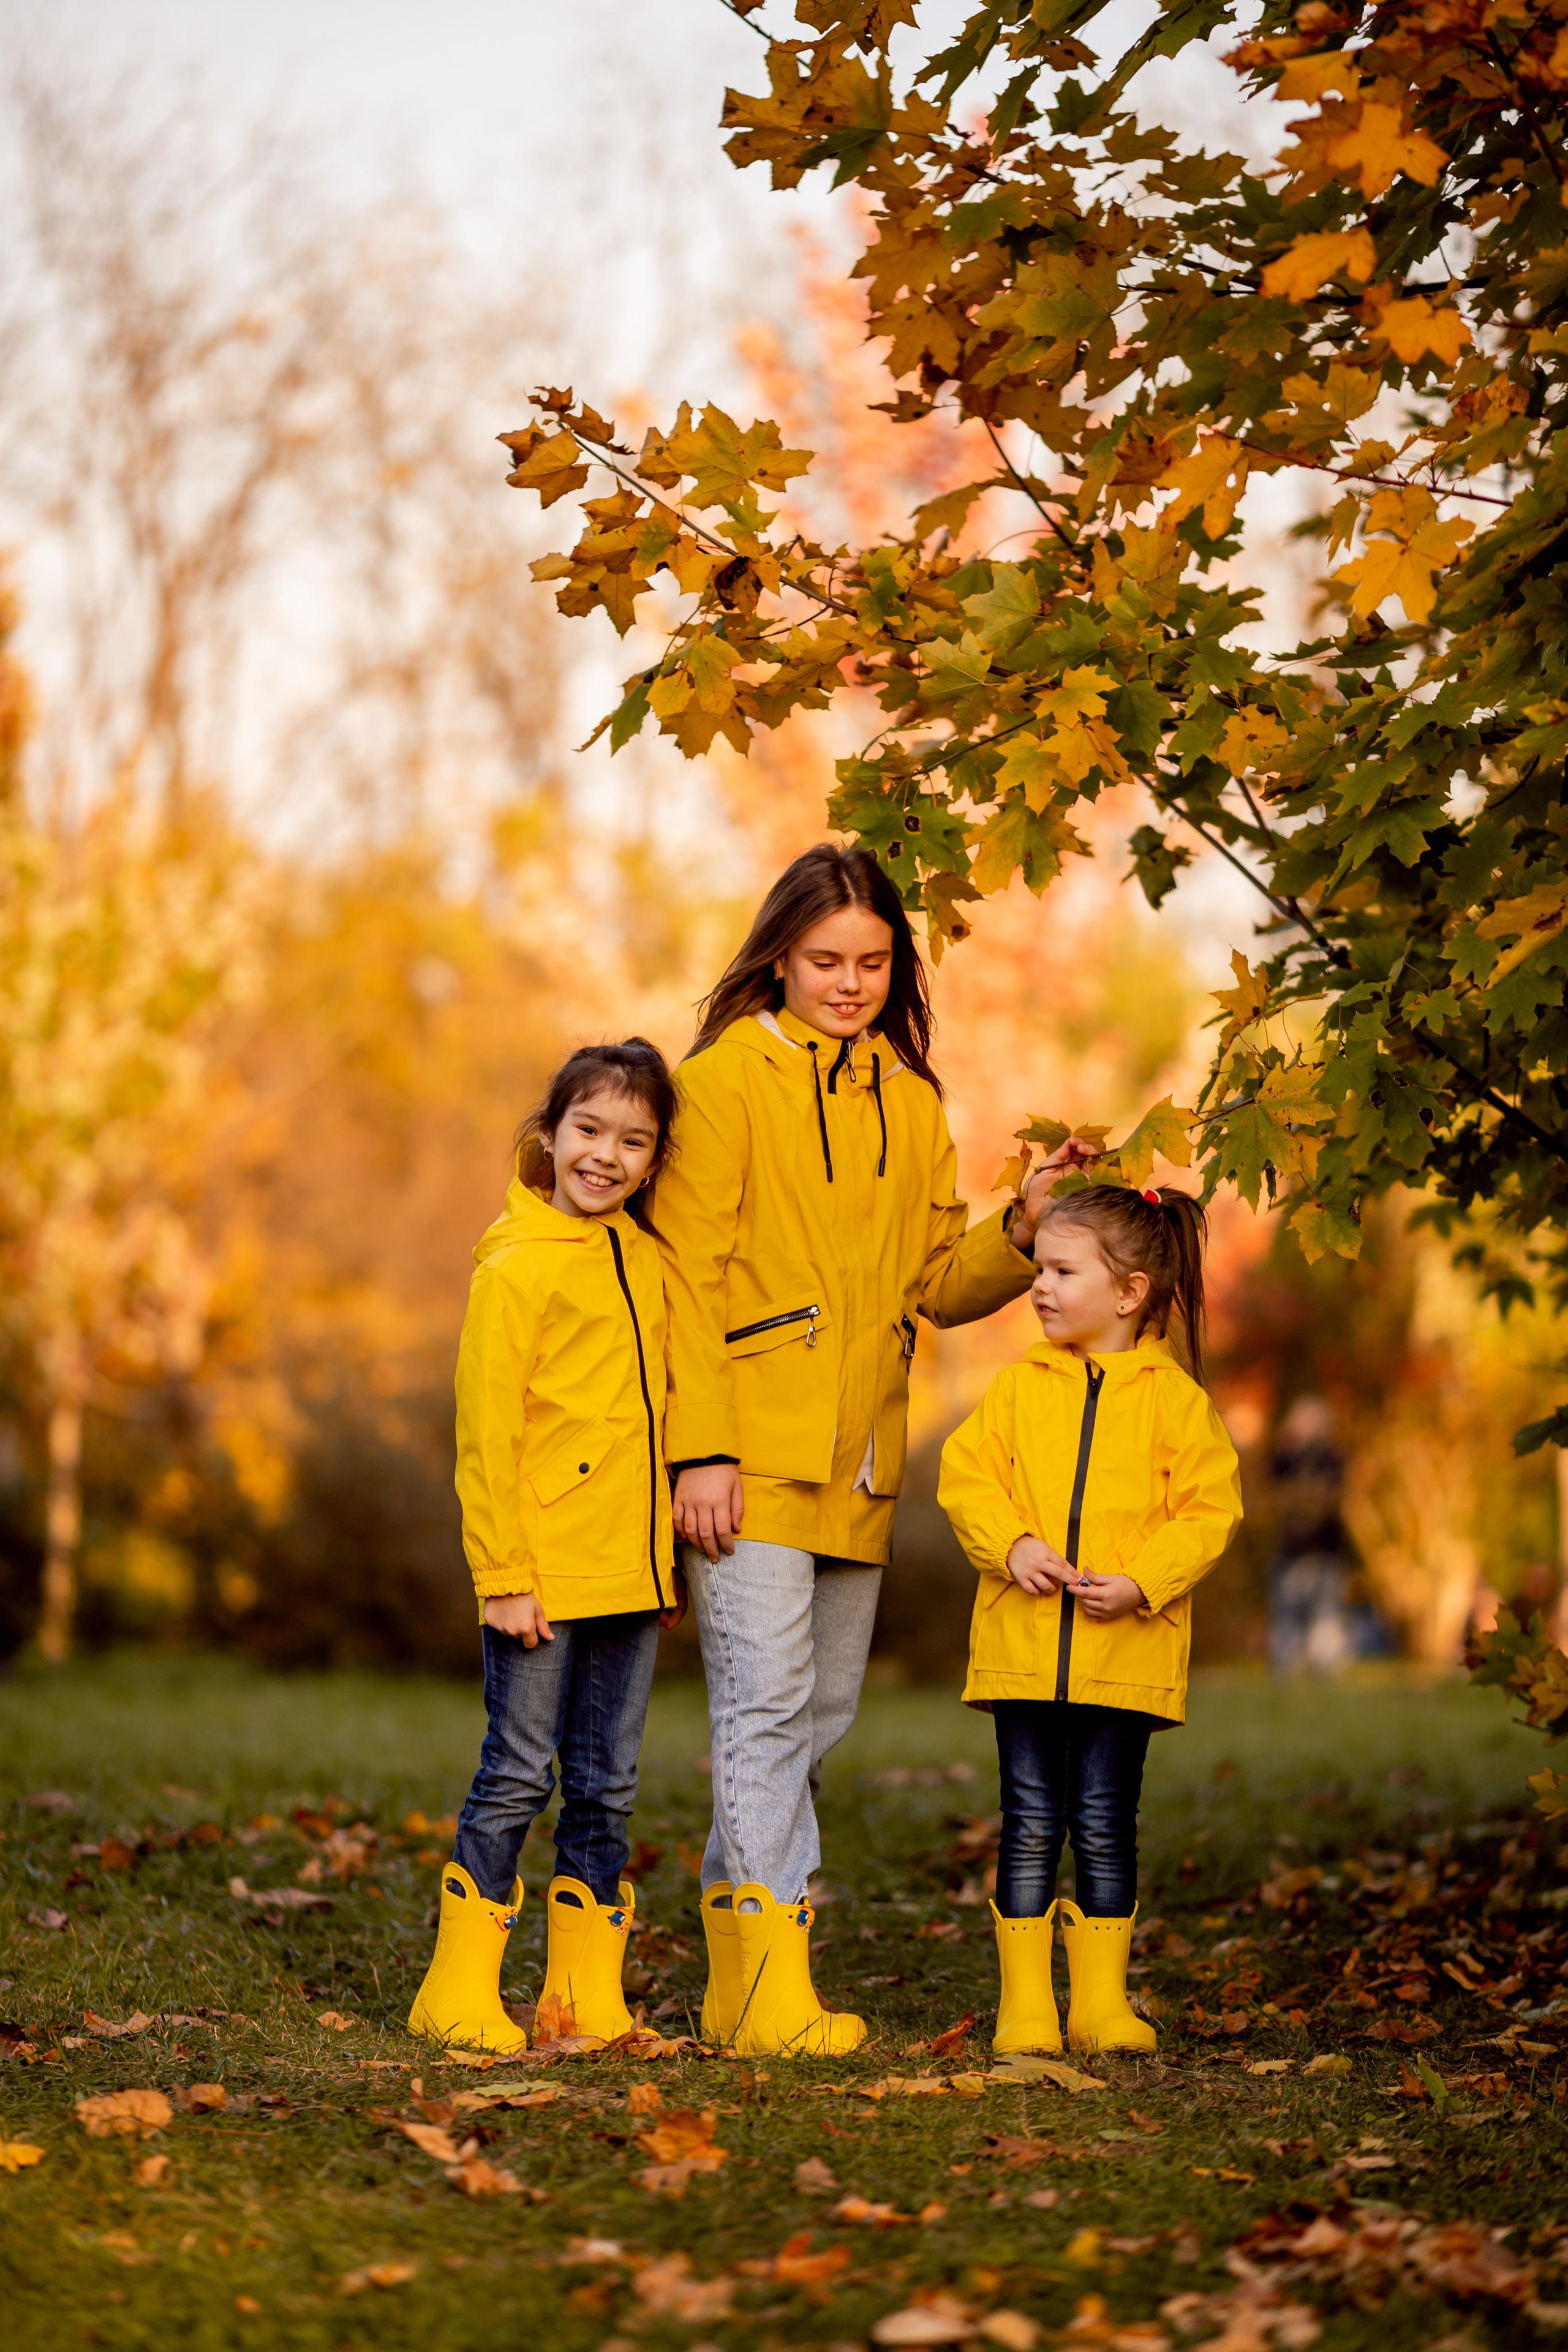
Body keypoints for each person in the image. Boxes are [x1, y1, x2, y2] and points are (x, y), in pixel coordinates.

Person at [656, 843, 1091, 2056]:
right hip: (742, 1452)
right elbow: (684, 1282)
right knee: (762, 1708)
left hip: (858, 1460)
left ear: (895, 965)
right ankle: (765, 1987)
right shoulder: (722, 1085)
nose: (847, 982)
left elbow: (937, 1286)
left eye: (870, 961)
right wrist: (697, 1452)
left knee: (816, 1714)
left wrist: (1020, 1226)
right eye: (821, 961)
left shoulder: (911, 1100)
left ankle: (737, 1969)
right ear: (777, 961)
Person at [408, 1039, 685, 2054]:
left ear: (655, 1160)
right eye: (589, 1131)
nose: (606, 1156)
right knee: (519, 1772)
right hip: (542, 1576)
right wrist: (504, 1575)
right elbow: (487, 1438)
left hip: (629, 1571)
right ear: (550, 1134)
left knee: (607, 1785)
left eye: (633, 1141)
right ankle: (456, 1988)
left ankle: (580, 1995)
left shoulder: (652, 1263)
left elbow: (656, 1420)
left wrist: (662, 1564)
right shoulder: (516, 1267)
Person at [939, 1183, 1242, 2057]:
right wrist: (1015, 1546)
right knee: (1031, 1820)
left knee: (1107, 1821)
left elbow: (1208, 1511)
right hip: (1024, 1652)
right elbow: (967, 1481)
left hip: (1125, 1657)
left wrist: (1144, 1582)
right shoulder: (1018, 1388)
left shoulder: (1175, 1402)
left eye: (1062, 1270)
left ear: (1128, 1292)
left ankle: (1101, 2005)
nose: (1039, 1286)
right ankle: (1026, 2007)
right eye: (1039, 1268)